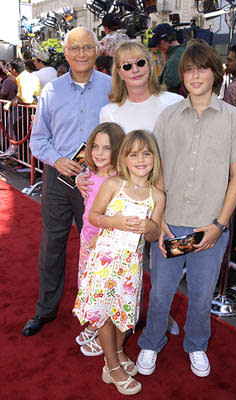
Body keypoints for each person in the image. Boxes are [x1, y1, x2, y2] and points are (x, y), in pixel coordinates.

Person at [136, 39, 236, 378]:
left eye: (202, 68)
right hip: (171, 225)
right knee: (160, 292)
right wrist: (158, 222)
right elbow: (155, 171)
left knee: (202, 297)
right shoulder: (168, 116)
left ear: (214, 72)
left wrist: (219, 225)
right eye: (188, 69)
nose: (195, 75)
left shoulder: (233, 119)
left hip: (209, 228)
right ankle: (150, 342)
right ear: (182, 74)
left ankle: (197, 345)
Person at [78, 40, 183, 339]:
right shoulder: (110, 111)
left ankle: (160, 314)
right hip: (124, 204)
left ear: (151, 66)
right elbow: (102, 156)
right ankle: (117, 318)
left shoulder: (174, 102)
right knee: (127, 266)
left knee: (164, 265)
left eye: (140, 62)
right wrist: (82, 176)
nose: (134, 69)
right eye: (126, 65)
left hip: (166, 197)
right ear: (118, 73)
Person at [22, 26, 112, 337]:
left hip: (98, 182)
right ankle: (45, 309)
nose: (81, 54)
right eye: (75, 48)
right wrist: (57, 160)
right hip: (58, 178)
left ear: (97, 50)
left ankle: (96, 312)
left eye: (87, 47)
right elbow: (37, 140)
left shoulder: (112, 88)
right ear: (66, 52)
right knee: (52, 245)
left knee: (98, 247)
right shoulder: (52, 91)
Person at [73, 130, 165, 395]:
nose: (140, 159)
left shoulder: (157, 196)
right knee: (103, 312)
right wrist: (118, 222)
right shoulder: (115, 186)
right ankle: (111, 366)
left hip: (131, 266)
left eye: (146, 153)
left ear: (154, 159)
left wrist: (148, 225)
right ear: (124, 158)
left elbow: (155, 233)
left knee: (123, 314)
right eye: (133, 153)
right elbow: (94, 216)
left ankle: (116, 351)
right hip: (104, 261)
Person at [75, 122, 125, 355]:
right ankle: (96, 324)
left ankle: (107, 334)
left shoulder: (119, 180)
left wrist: (101, 239)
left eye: (107, 148)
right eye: (95, 146)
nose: (99, 153)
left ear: (118, 150)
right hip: (86, 241)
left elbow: (118, 216)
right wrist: (77, 180)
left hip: (106, 246)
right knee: (88, 286)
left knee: (106, 291)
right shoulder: (89, 173)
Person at [148, 23, 186, 94]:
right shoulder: (182, 50)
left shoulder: (174, 60)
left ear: (169, 39)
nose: (157, 46)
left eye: (159, 43)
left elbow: (167, 88)